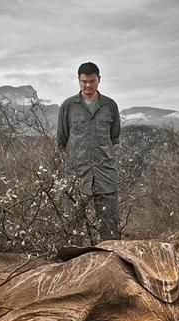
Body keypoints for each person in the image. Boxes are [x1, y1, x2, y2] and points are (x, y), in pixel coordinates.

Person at [57, 62, 121, 241]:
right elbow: (62, 140)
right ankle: (73, 264)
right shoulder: (68, 107)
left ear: (99, 80)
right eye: (84, 81)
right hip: (76, 175)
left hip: (105, 174)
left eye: (92, 81)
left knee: (110, 228)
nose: (87, 85)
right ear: (78, 80)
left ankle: (111, 265)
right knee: (73, 228)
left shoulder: (110, 106)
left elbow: (113, 138)